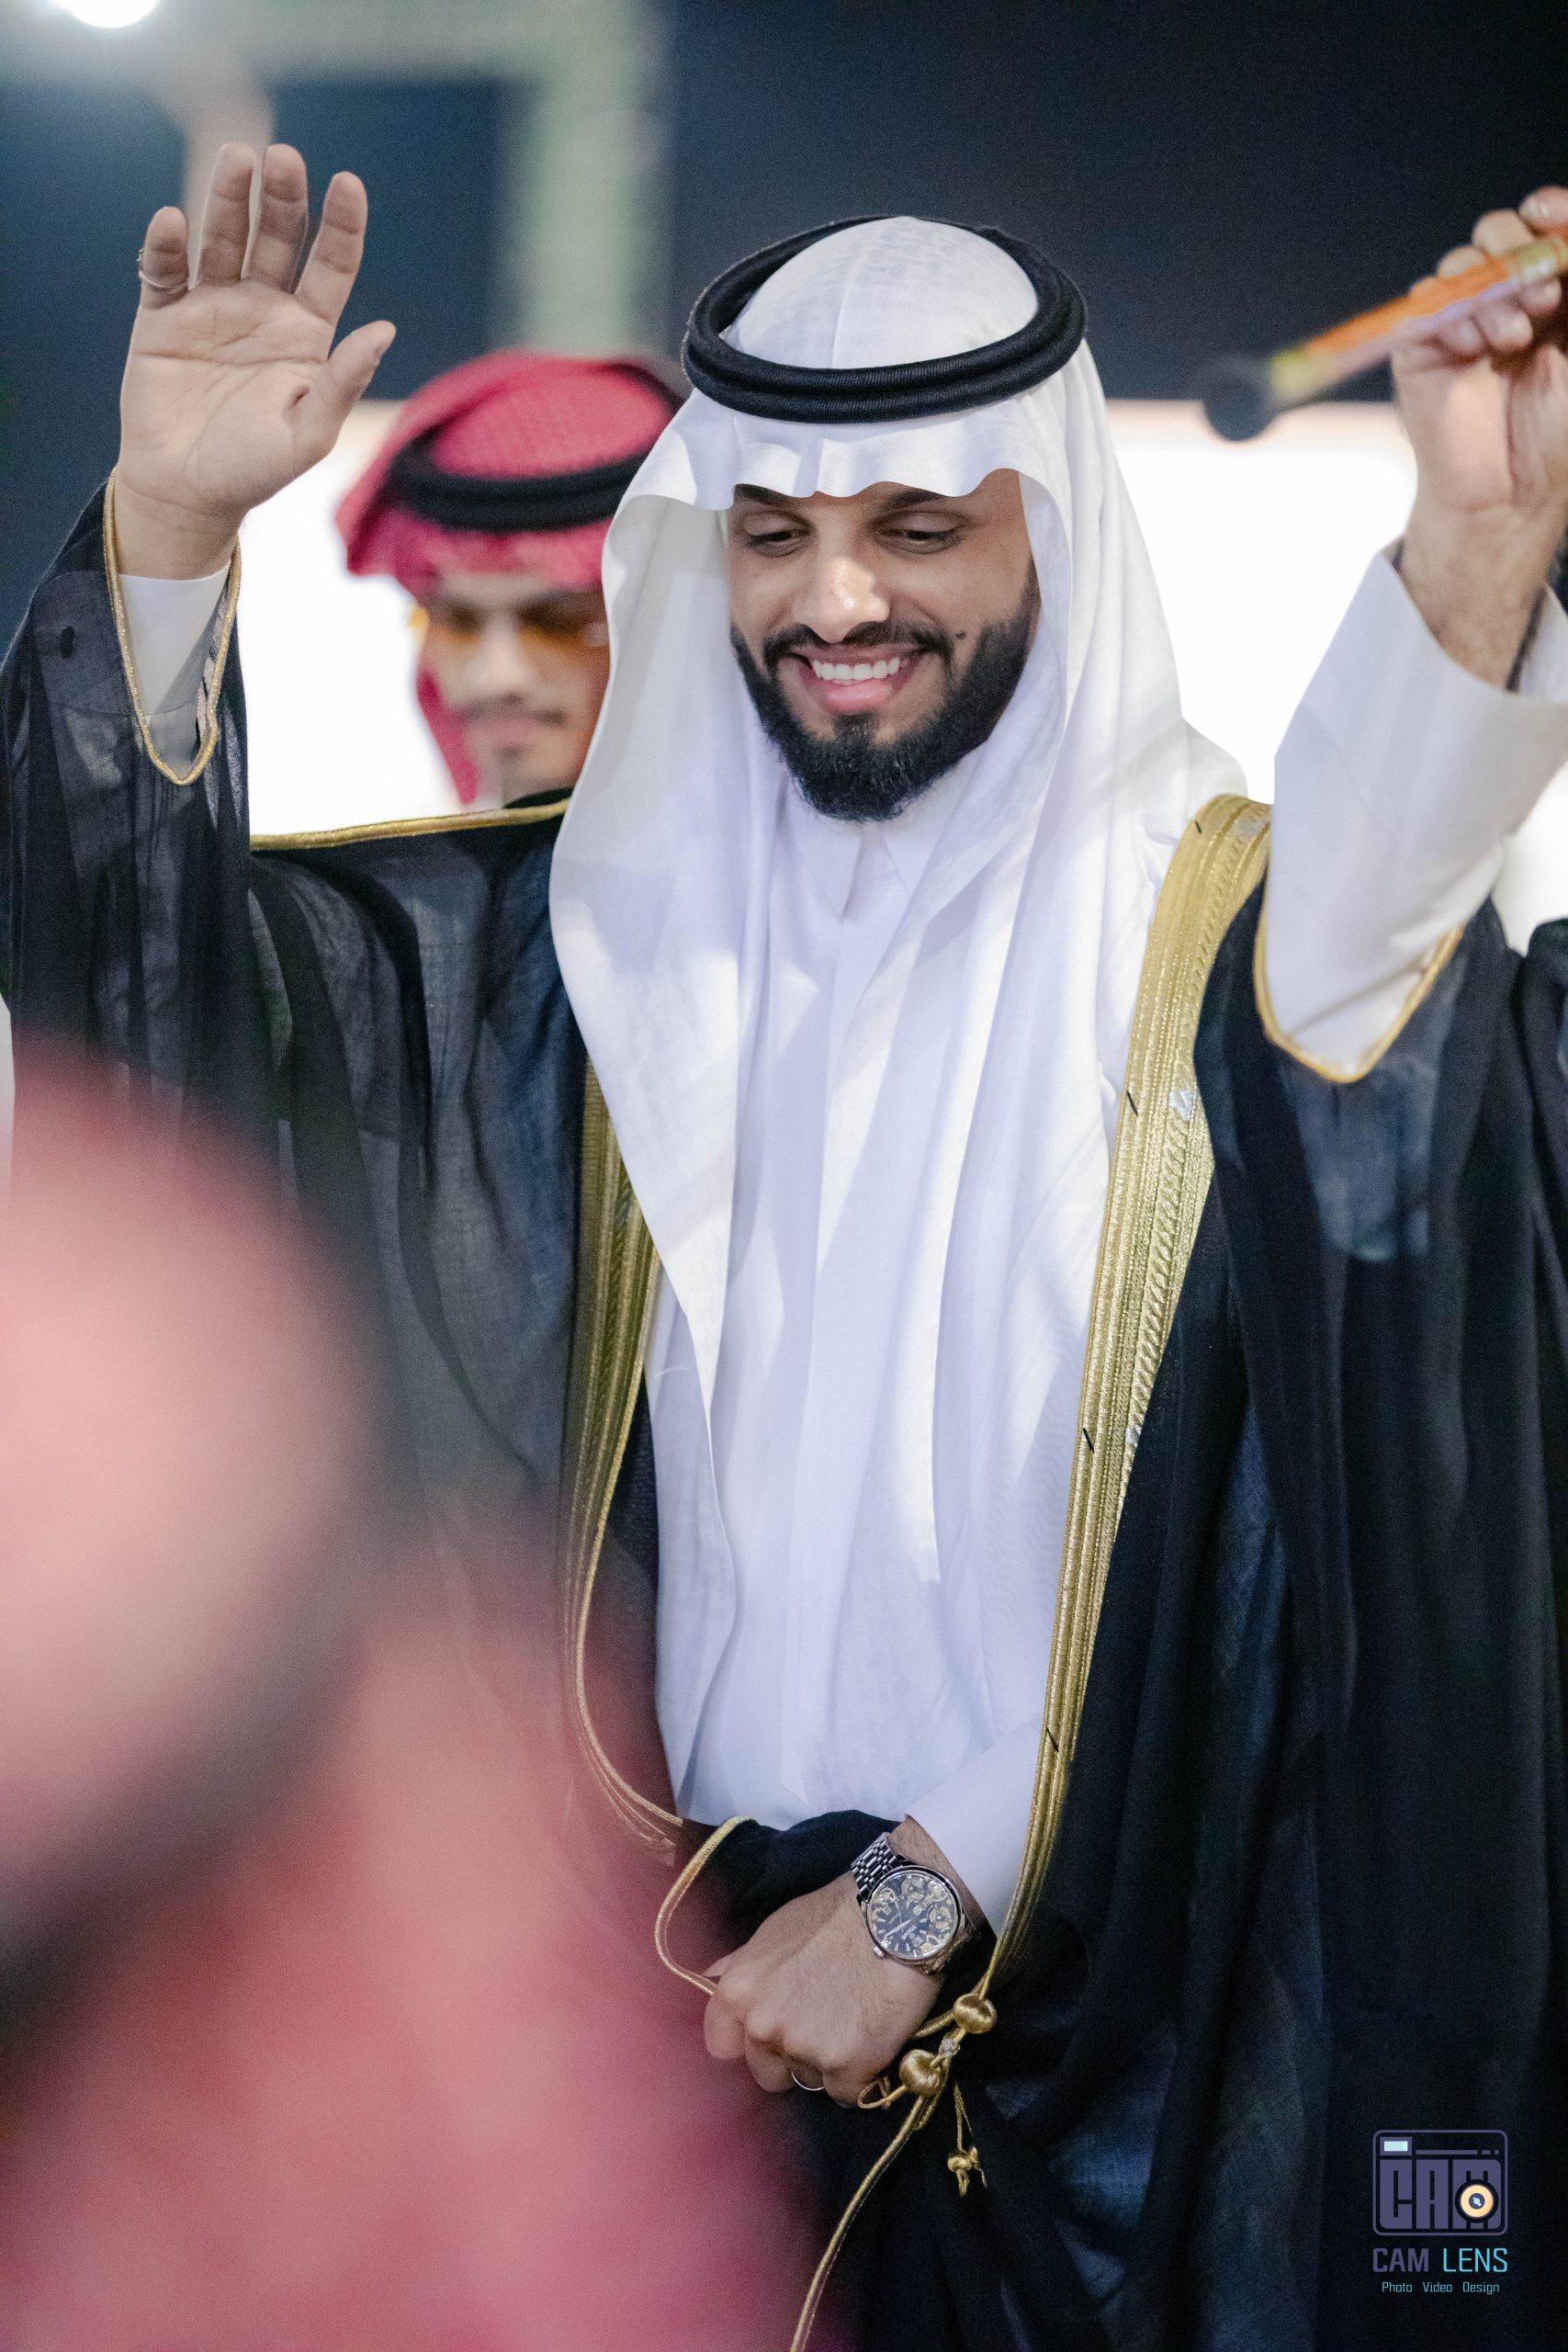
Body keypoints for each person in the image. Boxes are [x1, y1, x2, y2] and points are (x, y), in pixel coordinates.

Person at [5, 135, 1568, 2349]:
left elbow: (1379, 1135)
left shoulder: (1230, 945)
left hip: (1128, 2075)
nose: (836, 595)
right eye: (772, 532)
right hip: (666, 2053)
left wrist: (927, 1894)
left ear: (1049, 527)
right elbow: (165, 1052)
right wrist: (170, 536)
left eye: (917, 525)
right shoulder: (577, 945)